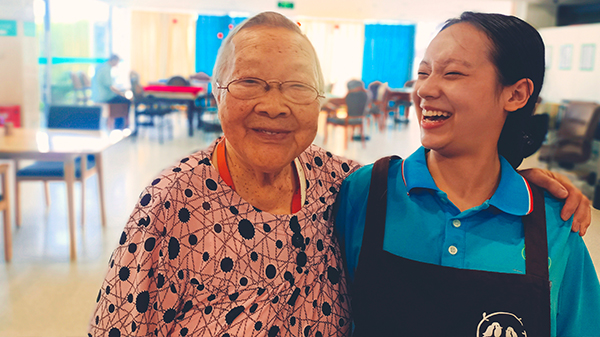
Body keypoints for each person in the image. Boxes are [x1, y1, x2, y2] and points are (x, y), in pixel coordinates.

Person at [89, 12, 591, 337]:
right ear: (217, 92)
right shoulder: (359, 192)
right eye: (249, 83)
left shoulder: (346, 186)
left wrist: (525, 187)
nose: (274, 105)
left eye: (296, 87)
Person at [335, 12, 600, 336]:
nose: (425, 89)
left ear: (515, 94)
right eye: (423, 72)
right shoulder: (366, 192)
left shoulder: (554, 222)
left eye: (453, 73)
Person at [92, 54, 131, 129]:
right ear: (114, 61)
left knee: (121, 99)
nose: (117, 64)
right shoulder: (106, 69)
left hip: (97, 94)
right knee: (126, 101)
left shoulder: (101, 66)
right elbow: (109, 85)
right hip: (104, 96)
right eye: (117, 62)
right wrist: (121, 93)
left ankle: (119, 124)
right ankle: (120, 125)